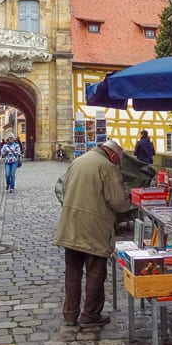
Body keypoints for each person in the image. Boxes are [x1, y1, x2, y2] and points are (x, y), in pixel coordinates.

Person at [53, 140, 131, 327]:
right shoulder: (107, 167)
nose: (117, 163)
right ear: (113, 154)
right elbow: (118, 202)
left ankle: (70, 314)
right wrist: (129, 197)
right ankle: (91, 314)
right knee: (95, 272)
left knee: (72, 272)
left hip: (71, 224)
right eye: (118, 160)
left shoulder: (78, 161)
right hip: (94, 227)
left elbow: (63, 189)